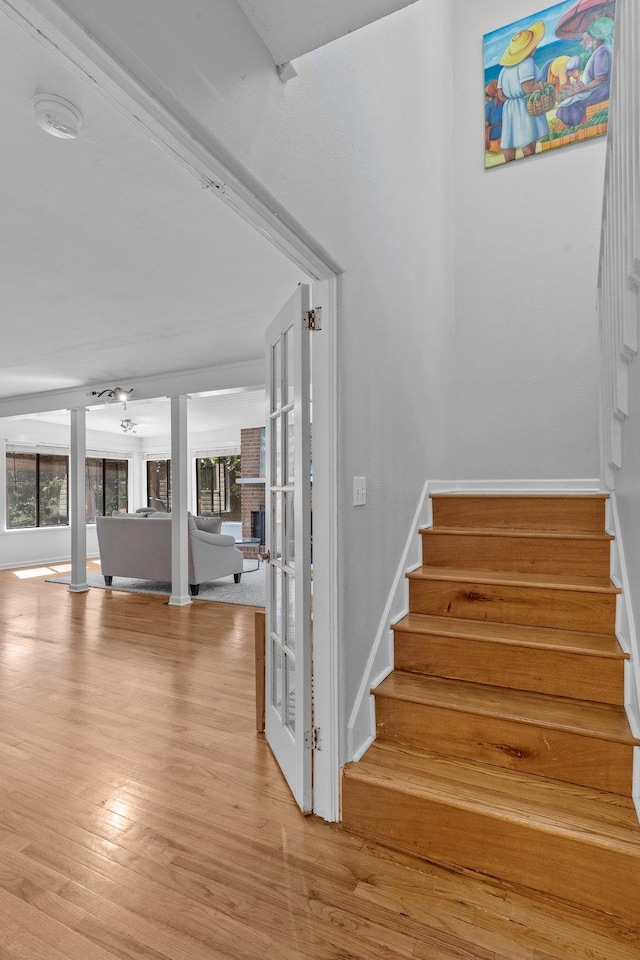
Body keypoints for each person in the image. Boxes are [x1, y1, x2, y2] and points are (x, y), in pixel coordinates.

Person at [497, 21, 549, 162]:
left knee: (510, 141)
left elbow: (500, 95)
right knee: (528, 141)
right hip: (524, 107)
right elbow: (528, 88)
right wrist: (545, 85)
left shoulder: (504, 69)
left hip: (509, 109)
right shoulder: (527, 63)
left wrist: (510, 103)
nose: (536, 47)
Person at [556, 17, 614, 128]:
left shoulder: (602, 52)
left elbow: (599, 80)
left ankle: (575, 128)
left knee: (565, 106)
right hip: (598, 88)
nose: (582, 43)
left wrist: (578, 91)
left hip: (601, 90)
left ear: (595, 39)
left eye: (586, 39)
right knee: (568, 100)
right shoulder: (601, 50)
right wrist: (579, 88)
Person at [484, 80, 503, 153]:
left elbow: (486, 123)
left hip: (494, 133)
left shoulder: (488, 106)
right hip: (505, 131)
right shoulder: (505, 102)